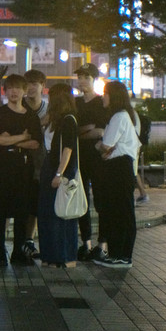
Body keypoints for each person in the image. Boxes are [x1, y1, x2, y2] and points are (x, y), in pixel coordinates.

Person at [0, 74, 42, 266]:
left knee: (22, 210)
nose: (14, 92)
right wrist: (21, 137)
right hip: (4, 166)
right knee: (1, 208)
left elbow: (35, 143)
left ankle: (18, 250)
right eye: (10, 88)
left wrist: (12, 139)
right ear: (5, 91)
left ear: (24, 91)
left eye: (18, 88)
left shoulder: (31, 116)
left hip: (24, 167)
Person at [95, 81, 140, 268]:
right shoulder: (123, 116)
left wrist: (99, 146)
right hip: (120, 168)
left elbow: (105, 146)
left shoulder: (119, 117)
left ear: (114, 96)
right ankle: (118, 254)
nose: (103, 97)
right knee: (119, 212)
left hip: (119, 168)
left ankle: (121, 256)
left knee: (120, 213)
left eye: (106, 93)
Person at [37, 83, 80, 268]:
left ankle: (63, 257)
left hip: (60, 170)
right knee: (47, 213)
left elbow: (68, 149)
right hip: (50, 167)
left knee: (60, 213)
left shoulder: (68, 120)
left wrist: (59, 173)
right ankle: (50, 255)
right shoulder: (56, 119)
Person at [74, 63, 109, 261]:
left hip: (98, 158)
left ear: (95, 79)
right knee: (82, 201)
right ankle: (85, 243)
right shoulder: (76, 103)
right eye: (79, 77)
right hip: (81, 157)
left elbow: (102, 131)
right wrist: (89, 130)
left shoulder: (101, 102)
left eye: (86, 77)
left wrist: (83, 131)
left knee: (101, 201)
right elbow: (74, 130)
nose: (82, 80)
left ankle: (102, 244)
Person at [22, 68, 50, 257]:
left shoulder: (49, 110)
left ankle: (40, 241)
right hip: (22, 164)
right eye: (28, 84)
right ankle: (26, 241)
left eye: (35, 83)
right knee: (25, 204)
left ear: (43, 86)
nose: (31, 88)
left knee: (41, 204)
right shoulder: (19, 107)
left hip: (44, 164)